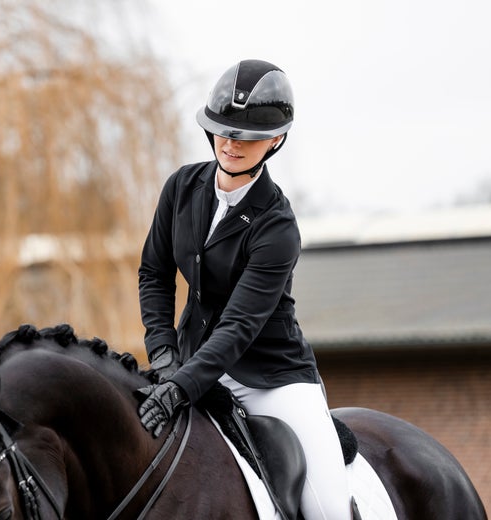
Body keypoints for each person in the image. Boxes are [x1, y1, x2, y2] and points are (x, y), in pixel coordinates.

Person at [135, 59, 352, 520]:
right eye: (222, 130)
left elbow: (239, 325)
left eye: (247, 136)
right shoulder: (181, 188)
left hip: (270, 377)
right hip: (190, 361)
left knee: (328, 508)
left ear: (275, 140)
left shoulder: (277, 226)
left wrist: (180, 387)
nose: (231, 143)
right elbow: (154, 274)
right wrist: (164, 357)